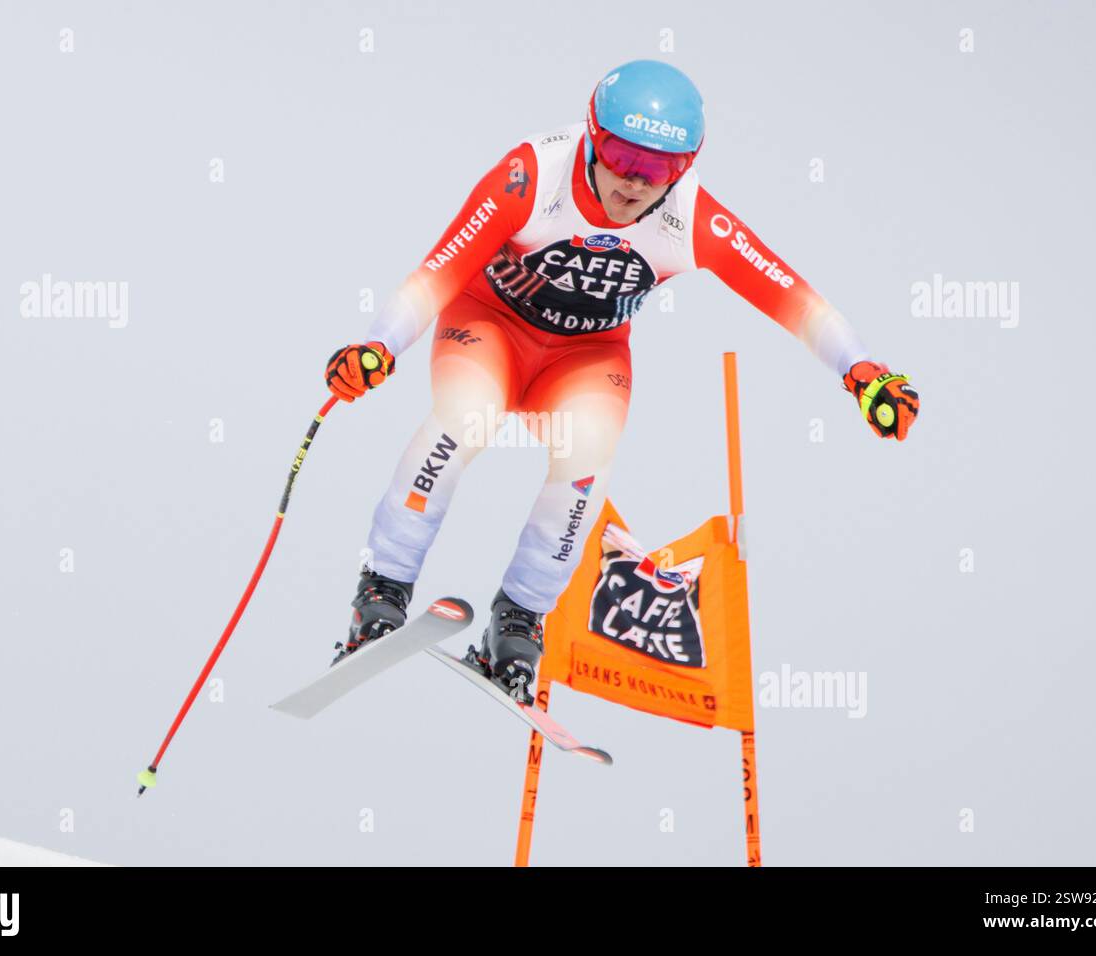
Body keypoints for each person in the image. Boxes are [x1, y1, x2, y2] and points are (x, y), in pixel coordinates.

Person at [324, 59, 919, 702]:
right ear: (591, 134)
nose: (635, 181)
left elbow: (792, 297)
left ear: (685, 167)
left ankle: (518, 624)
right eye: (620, 153)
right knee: (465, 415)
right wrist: (377, 346)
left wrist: (862, 372)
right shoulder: (531, 174)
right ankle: (382, 591)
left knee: (587, 457)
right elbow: (438, 270)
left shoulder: (690, 218)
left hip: (584, 355)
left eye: (660, 167)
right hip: (490, 327)